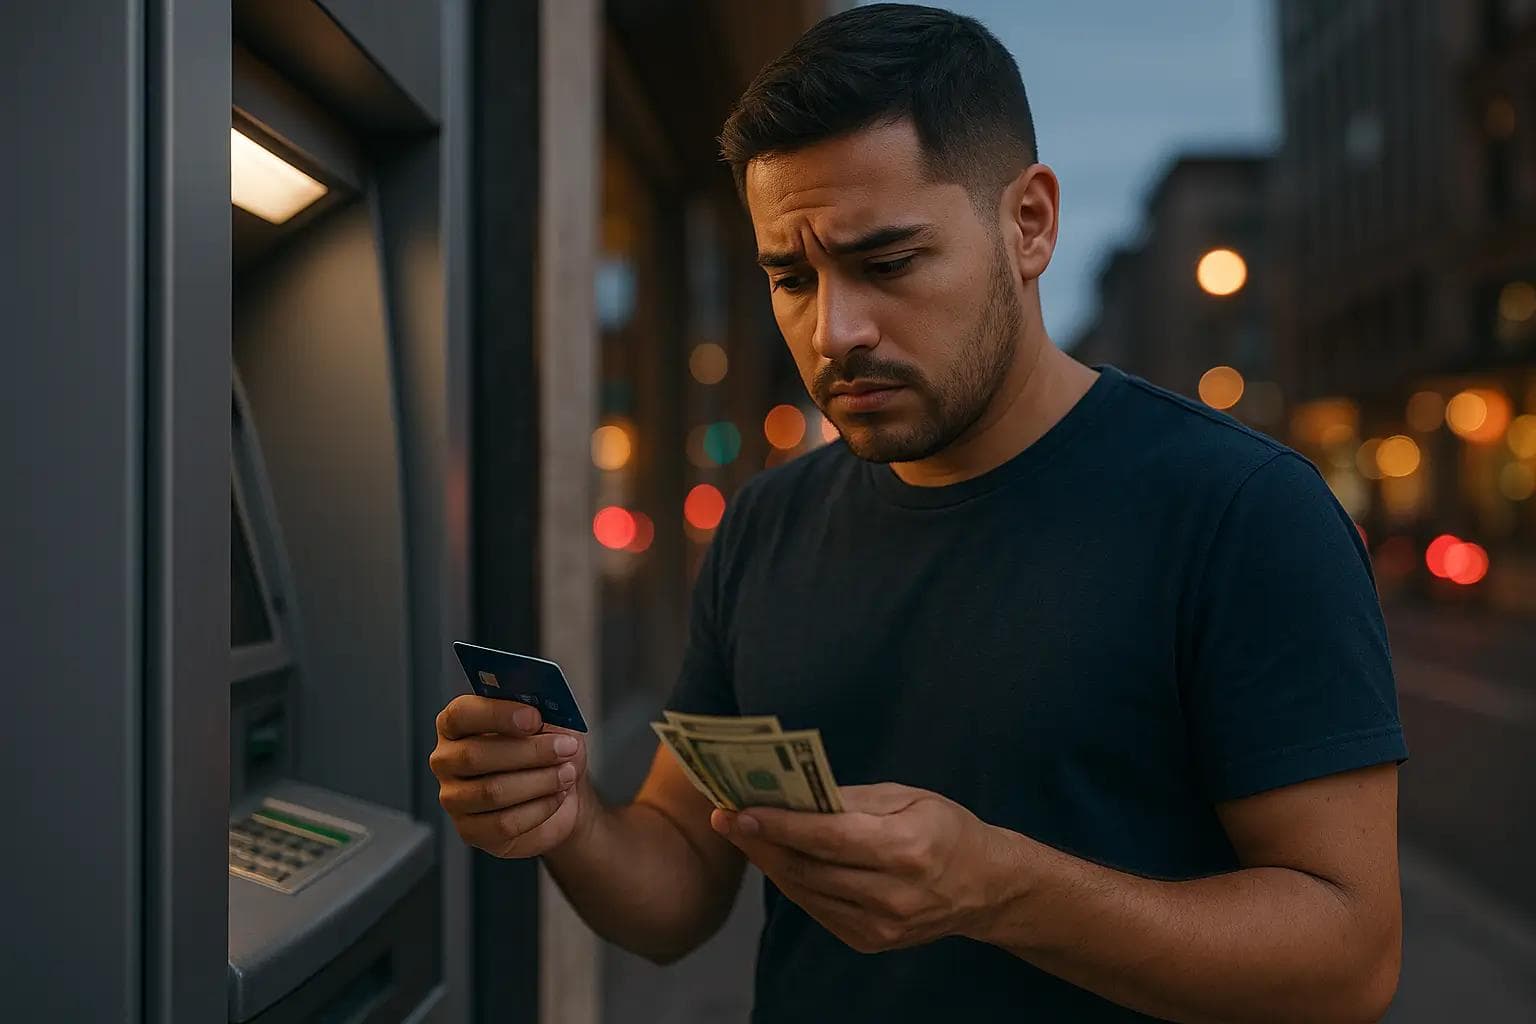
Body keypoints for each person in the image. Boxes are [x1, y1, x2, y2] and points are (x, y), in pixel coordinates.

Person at [430, 5, 1407, 1021]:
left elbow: (1349, 962)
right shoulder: (766, 525)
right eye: (790, 277)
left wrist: (1002, 887)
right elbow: (677, 886)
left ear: (1029, 225)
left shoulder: (1242, 512)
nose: (834, 330)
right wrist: (569, 818)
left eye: (888, 263)